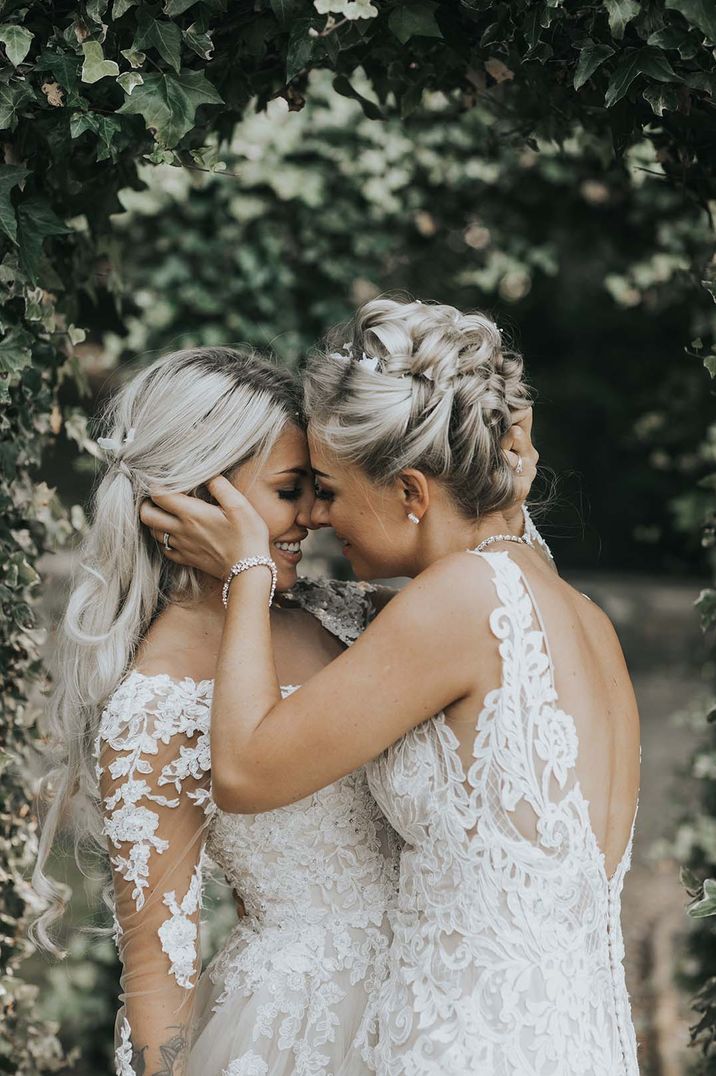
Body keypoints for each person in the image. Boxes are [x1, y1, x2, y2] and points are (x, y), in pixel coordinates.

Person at [142, 299, 641, 1075]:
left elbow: (242, 772)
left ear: (411, 492)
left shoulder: (457, 602)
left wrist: (246, 569)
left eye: (334, 491)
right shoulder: (577, 616)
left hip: (469, 1048)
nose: (323, 517)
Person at [32, 342, 539, 1076]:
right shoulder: (156, 704)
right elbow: (156, 973)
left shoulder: (348, 615)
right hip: (302, 1031)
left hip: (447, 999)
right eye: (290, 489)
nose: (316, 515)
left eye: (318, 488)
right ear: (199, 498)